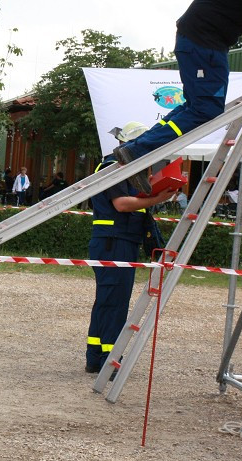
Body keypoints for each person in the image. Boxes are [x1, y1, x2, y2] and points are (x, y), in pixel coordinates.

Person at [113, 0, 242, 195]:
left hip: (199, 42)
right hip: (204, 46)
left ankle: (137, 149)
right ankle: (140, 149)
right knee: (205, 109)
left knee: (195, 107)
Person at [86, 123, 177, 374]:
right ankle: (109, 359)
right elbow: (122, 204)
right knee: (114, 304)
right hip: (114, 242)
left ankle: (96, 356)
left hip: (116, 242)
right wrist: (157, 198)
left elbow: (130, 196)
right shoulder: (112, 167)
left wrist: (153, 185)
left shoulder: (124, 168)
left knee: (107, 301)